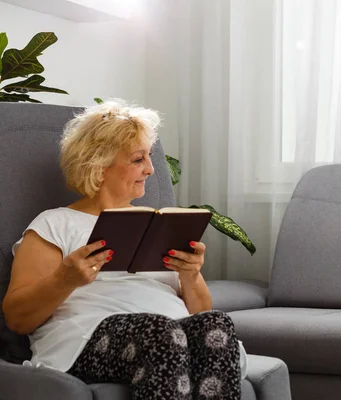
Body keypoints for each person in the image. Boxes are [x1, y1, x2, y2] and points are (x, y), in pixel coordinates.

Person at [2, 100, 245, 400]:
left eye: (149, 157)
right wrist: (65, 279)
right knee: (160, 331)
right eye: (137, 159)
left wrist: (191, 275)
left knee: (216, 323)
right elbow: (17, 318)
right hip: (85, 340)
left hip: (167, 331)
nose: (151, 169)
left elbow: (200, 314)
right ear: (99, 165)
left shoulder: (159, 225)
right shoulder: (55, 224)